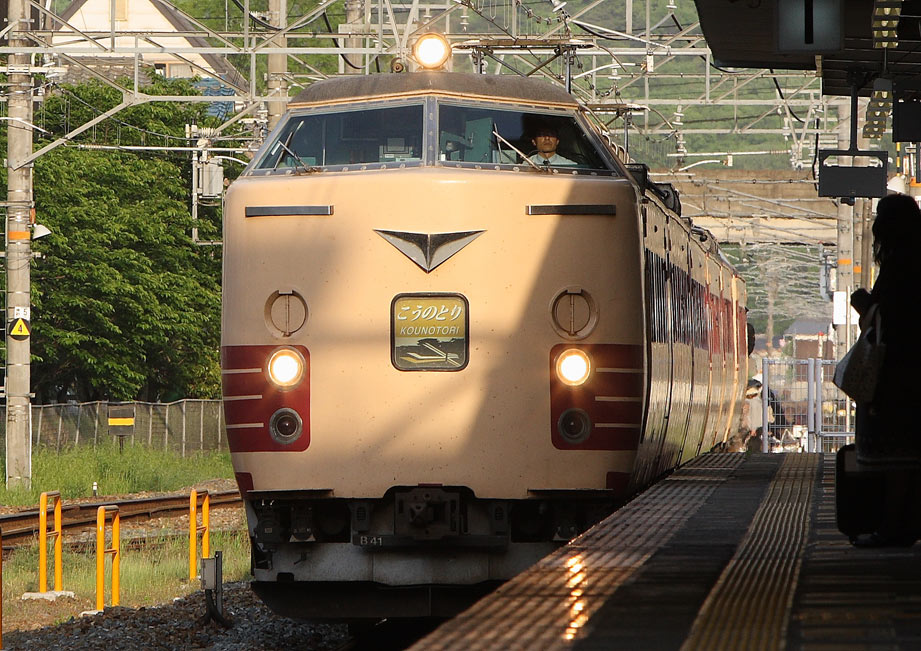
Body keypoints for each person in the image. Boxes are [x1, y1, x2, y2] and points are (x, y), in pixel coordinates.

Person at [849, 193, 921, 546]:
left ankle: (893, 526)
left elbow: (886, 320)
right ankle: (904, 522)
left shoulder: (897, 268)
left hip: (897, 376)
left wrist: (864, 304)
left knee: (897, 458)